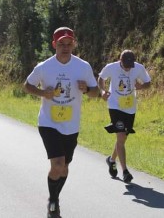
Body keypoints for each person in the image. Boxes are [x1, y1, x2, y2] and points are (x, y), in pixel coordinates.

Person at [23, 27, 99, 218]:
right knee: (57, 164)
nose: (65, 47)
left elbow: (95, 92)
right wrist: (43, 93)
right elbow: (27, 85)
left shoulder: (83, 66)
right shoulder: (44, 67)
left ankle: (54, 197)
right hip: (49, 122)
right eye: (61, 44)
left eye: (69, 43)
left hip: (71, 124)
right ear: (54, 44)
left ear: (74, 44)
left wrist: (86, 89)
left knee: (64, 167)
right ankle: (53, 201)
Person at [98, 49, 151, 183]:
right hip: (115, 105)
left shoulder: (138, 68)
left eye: (130, 65)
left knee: (122, 139)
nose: (128, 68)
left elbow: (148, 83)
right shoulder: (111, 67)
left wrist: (141, 86)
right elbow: (101, 78)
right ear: (119, 61)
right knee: (120, 136)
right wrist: (103, 91)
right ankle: (125, 171)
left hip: (130, 107)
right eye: (125, 65)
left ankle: (111, 160)